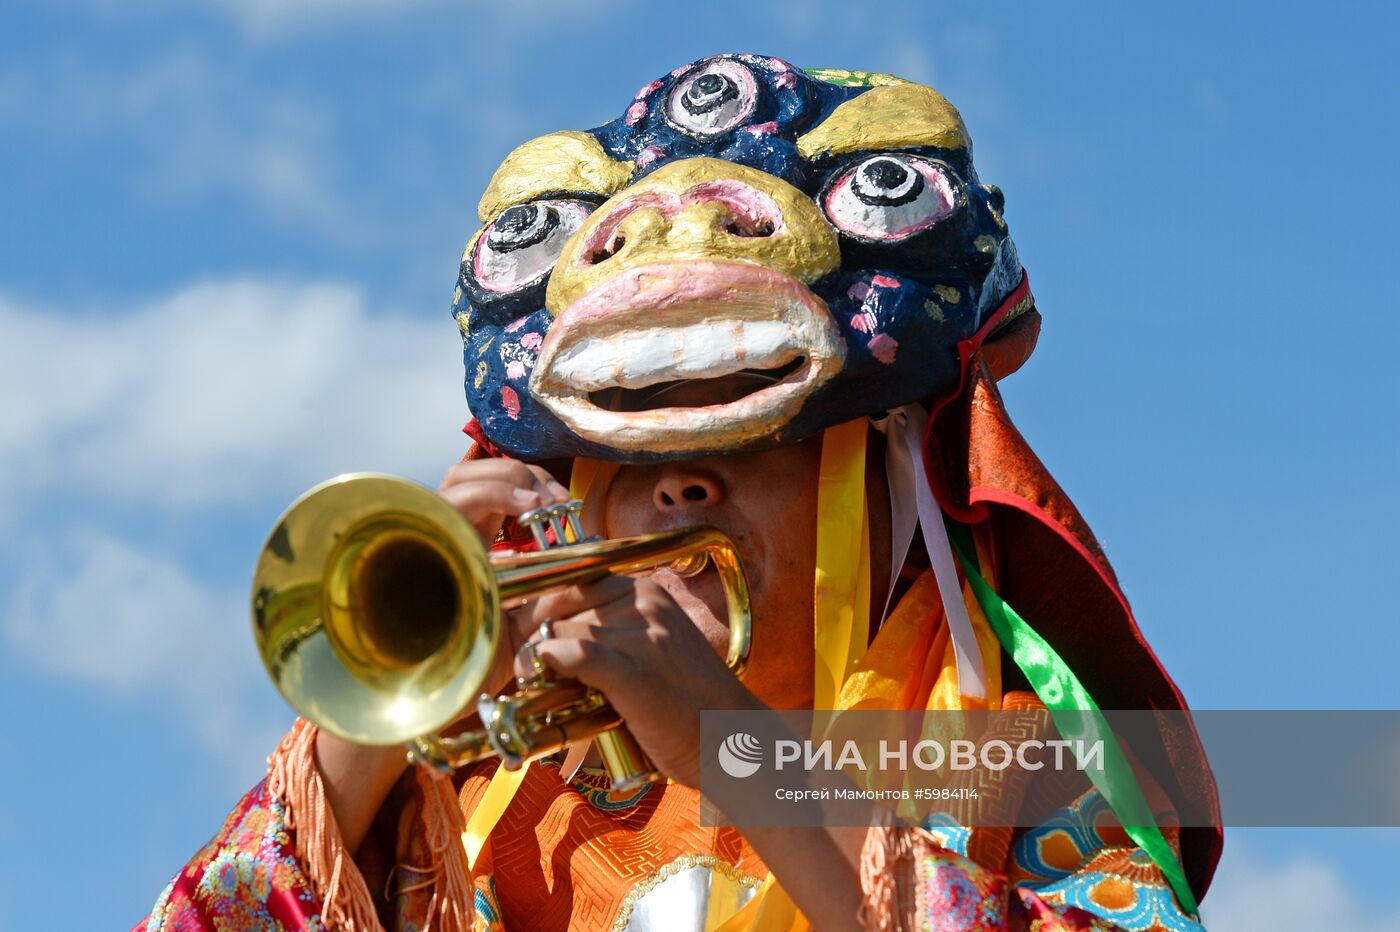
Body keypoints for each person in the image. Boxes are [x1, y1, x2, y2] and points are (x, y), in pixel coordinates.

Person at [137, 55, 1221, 931]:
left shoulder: (1008, 745)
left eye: (749, 431)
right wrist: (377, 720)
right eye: (623, 453)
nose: (678, 487)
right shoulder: (485, 794)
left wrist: (732, 749)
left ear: (881, 468)